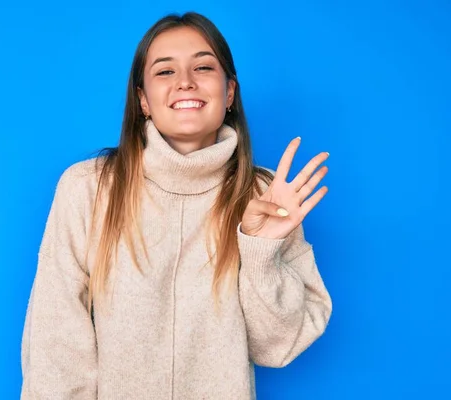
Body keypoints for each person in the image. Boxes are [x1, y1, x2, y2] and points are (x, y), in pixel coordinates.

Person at [20, 11, 332, 400]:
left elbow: (277, 347)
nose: (185, 81)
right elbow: (55, 342)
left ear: (230, 92)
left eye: (203, 66)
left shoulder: (267, 196)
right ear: (142, 99)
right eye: (165, 72)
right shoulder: (88, 188)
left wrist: (259, 249)